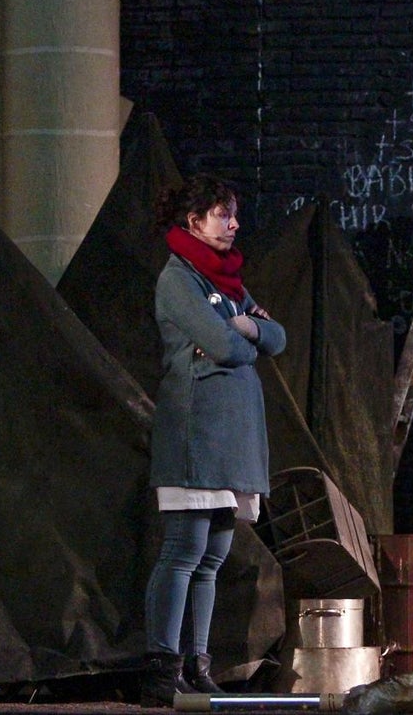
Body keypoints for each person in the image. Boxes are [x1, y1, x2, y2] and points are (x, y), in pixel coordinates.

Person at [142, 173, 286, 707]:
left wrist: (248, 327)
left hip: (233, 437)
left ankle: (197, 664)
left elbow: (278, 336)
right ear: (194, 221)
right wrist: (246, 330)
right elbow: (223, 346)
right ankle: (162, 670)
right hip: (195, 430)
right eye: (222, 215)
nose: (234, 224)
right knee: (183, 552)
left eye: (233, 214)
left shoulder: (226, 284)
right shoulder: (179, 280)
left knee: (213, 557)